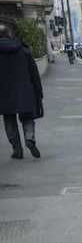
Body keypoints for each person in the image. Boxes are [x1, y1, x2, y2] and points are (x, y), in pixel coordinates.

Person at [0, 23, 43, 159]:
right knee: (27, 116)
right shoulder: (23, 50)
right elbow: (34, 73)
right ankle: (30, 139)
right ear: (10, 34)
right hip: (24, 89)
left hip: (3, 92)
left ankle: (17, 150)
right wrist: (39, 92)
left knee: (9, 119)